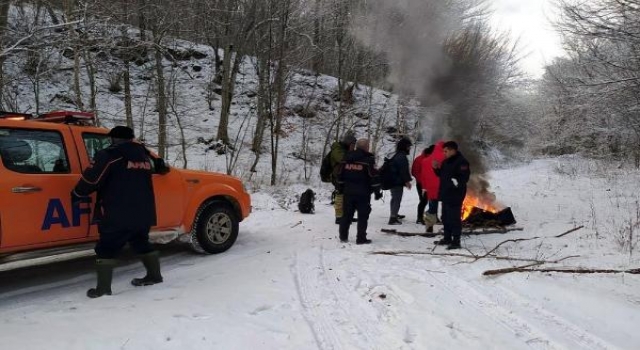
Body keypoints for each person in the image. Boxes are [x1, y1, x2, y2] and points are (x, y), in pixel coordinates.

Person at [72, 126, 167, 298]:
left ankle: (102, 289)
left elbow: (92, 178)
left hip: (117, 211)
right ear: (132, 138)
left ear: (114, 139)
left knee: (106, 248)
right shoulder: (144, 153)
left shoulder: (109, 155)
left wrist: (78, 193)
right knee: (140, 241)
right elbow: (163, 168)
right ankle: (154, 276)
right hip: (143, 210)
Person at [336, 138, 382, 244]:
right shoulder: (368, 160)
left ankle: (343, 236)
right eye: (368, 146)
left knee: (346, 215)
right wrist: (377, 192)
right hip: (363, 193)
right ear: (366, 147)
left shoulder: (346, 158)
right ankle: (361, 238)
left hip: (348, 192)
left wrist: (340, 188)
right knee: (363, 216)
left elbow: (340, 175)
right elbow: (374, 177)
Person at [432, 141, 470, 250]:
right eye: (443, 151)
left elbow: (464, 178)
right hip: (445, 194)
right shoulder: (446, 162)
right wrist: (436, 168)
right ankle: (447, 238)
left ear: (453, 150)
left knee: (454, 218)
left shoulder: (462, 162)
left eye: (446, 151)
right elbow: (441, 175)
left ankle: (456, 241)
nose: (444, 153)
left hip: (455, 195)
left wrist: (455, 181)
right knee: (445, 217)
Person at [329, 132, 356, 224]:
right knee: (340, 196)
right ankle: (339, 217)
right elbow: (342, 159)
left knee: (348, 197)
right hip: (338, 176)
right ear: (349, 143)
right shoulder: (337, 149)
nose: (354, 146)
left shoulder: (346, 150)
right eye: (353, 144)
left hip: (347, 176)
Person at [420, 141, 445, 232]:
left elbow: (423, 176)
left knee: (432, 207)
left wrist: (424, 187)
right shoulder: (445, 158)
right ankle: (447, 226)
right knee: (446, 206)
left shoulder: (425, 161)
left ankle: (429, 225)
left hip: (431, 188)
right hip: (443, 187)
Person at [387, 137, 412, 225]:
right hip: (396, 181)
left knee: (394, 198)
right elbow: (403, 171)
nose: (409, 148)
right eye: (408, 146)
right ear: (404, 147)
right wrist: (407, 181)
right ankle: (393, 218)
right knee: (397, 199)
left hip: (392, 180)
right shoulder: (402, 157)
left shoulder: (397, 154)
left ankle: (394, 214)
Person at [411, 145, 434, 224]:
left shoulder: (432, 159)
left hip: (430, 184)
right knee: (423, 201)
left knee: (431, 201)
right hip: (422, 184)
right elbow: (415, 172)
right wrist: (424, 181)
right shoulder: (420, 159)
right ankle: (420, 218)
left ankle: (432, 217)